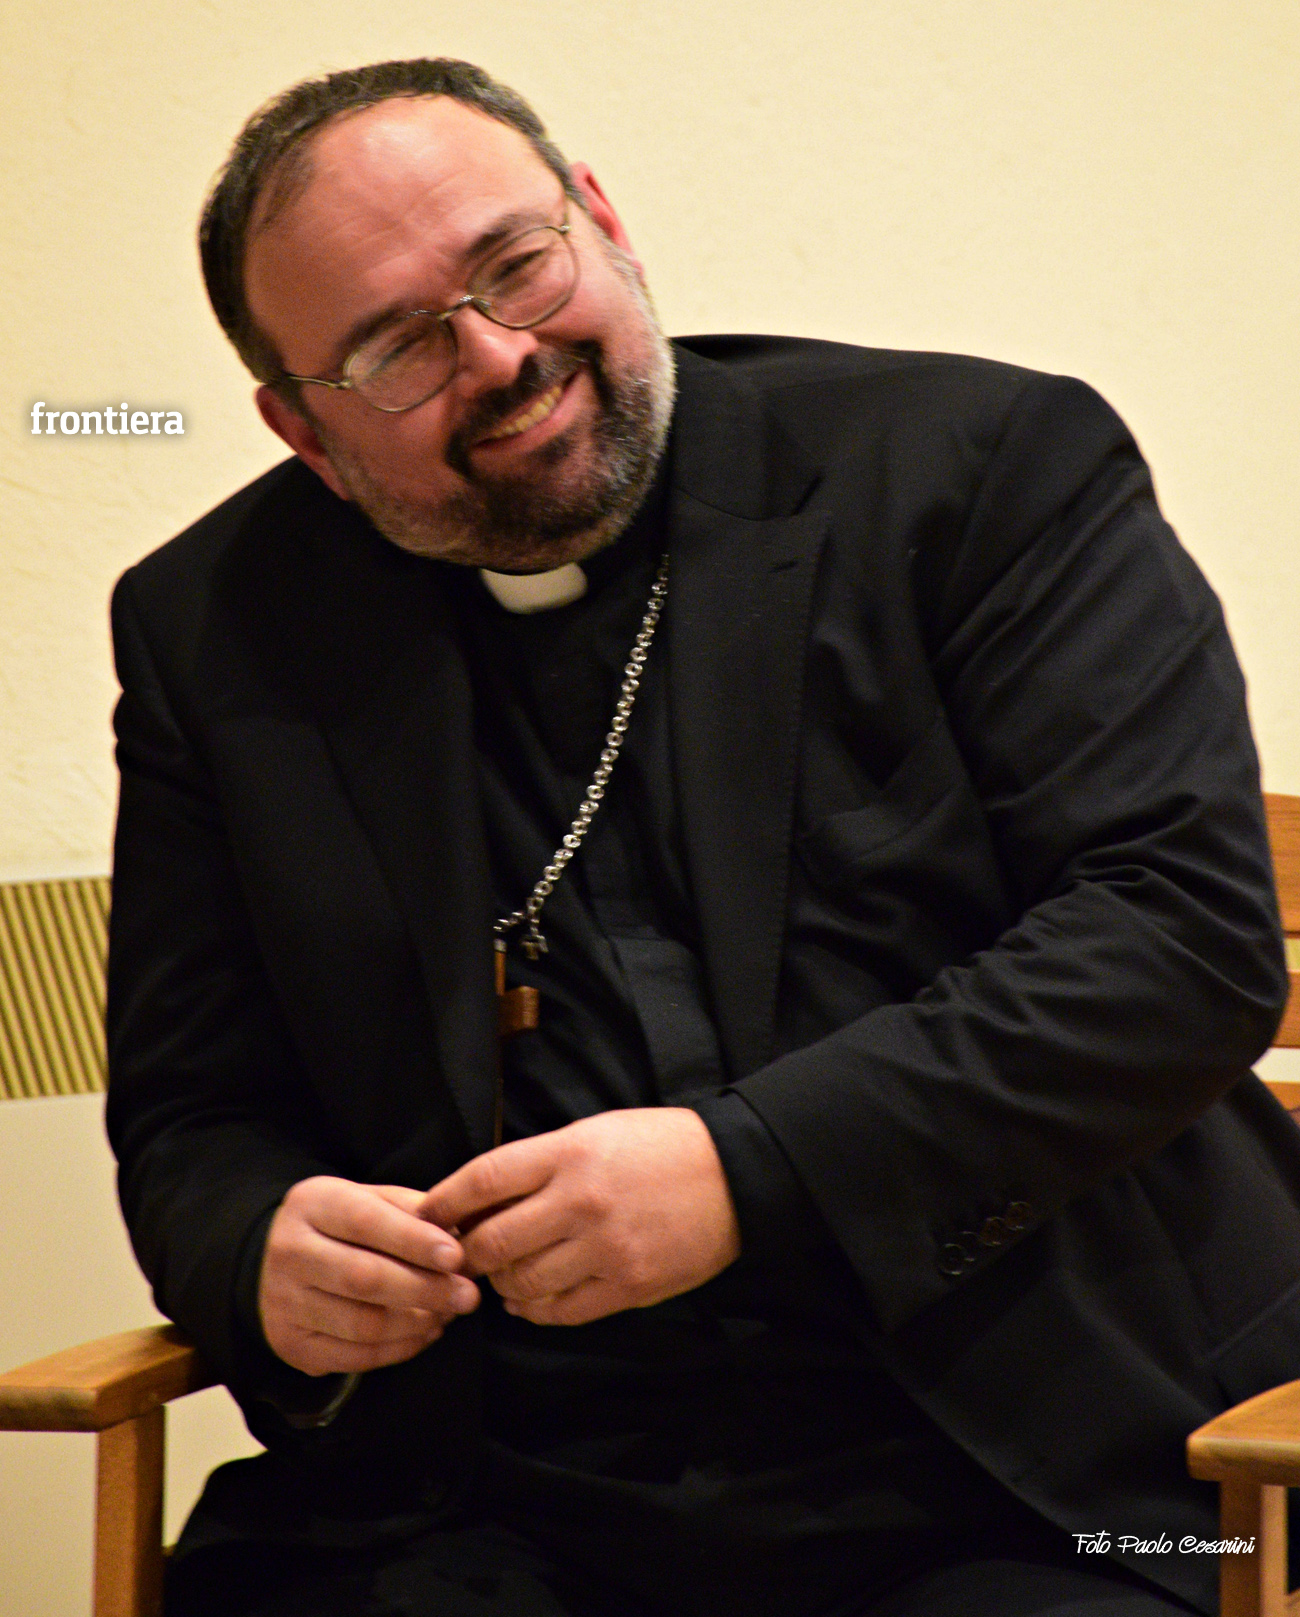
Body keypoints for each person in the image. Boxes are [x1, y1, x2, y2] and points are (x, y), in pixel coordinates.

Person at [105, 56, 1300, 1617]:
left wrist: (750, 1169)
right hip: (492, 1493)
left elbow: (1179, 939)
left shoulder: (979, 468)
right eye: (396, 346)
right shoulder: (217, 633)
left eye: (515, 265)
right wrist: (257, 1247)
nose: (498, 356)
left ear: (601, 220)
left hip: (1023, 1464)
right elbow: (194, 1112)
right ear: (304, 430)